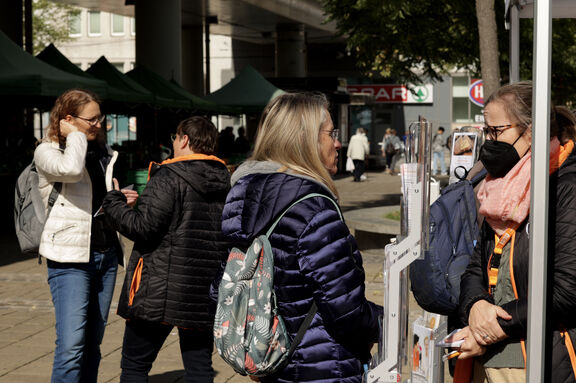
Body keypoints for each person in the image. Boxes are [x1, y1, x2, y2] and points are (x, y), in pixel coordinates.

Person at [220, 92, 383, 383]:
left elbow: (222, 285)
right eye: (331, 133)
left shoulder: (240, 196)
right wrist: (387, 321)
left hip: (270, 362)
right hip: (320, 368)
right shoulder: (315, 207)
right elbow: (346, 310)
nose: (337, 142)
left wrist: (257, 343)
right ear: (305, 139)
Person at [452, 81, 576, 382]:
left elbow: (567, 290)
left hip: (537, 360)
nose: (490, 141)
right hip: (488, 357)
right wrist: (475, 305)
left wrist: (495, 327)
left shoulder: (565, 186)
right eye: (487, 131)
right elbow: (474, 266)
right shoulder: (497, 186)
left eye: (498, 131)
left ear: (531, 131)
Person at [102, 116, 231, 382]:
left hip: (158, 288)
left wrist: (114, 203)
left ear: (184, 140)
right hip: (203, 290)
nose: (173, 142)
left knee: (135, 365)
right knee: (199, 367)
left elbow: (143, 228)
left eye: (175, 137)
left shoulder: (169, 176)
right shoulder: (225, 179)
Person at [34, 89, 137, 382]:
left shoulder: (103, 153)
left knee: (93, 343)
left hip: (105, 255)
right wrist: (75, 136)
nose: (98, 124)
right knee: (70, 347)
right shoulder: (47, 151)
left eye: (99, 118)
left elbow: (95, 201)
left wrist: (118, 199)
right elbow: (70, 169)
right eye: (91, 120)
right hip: (69, 259)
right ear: (67, 119)